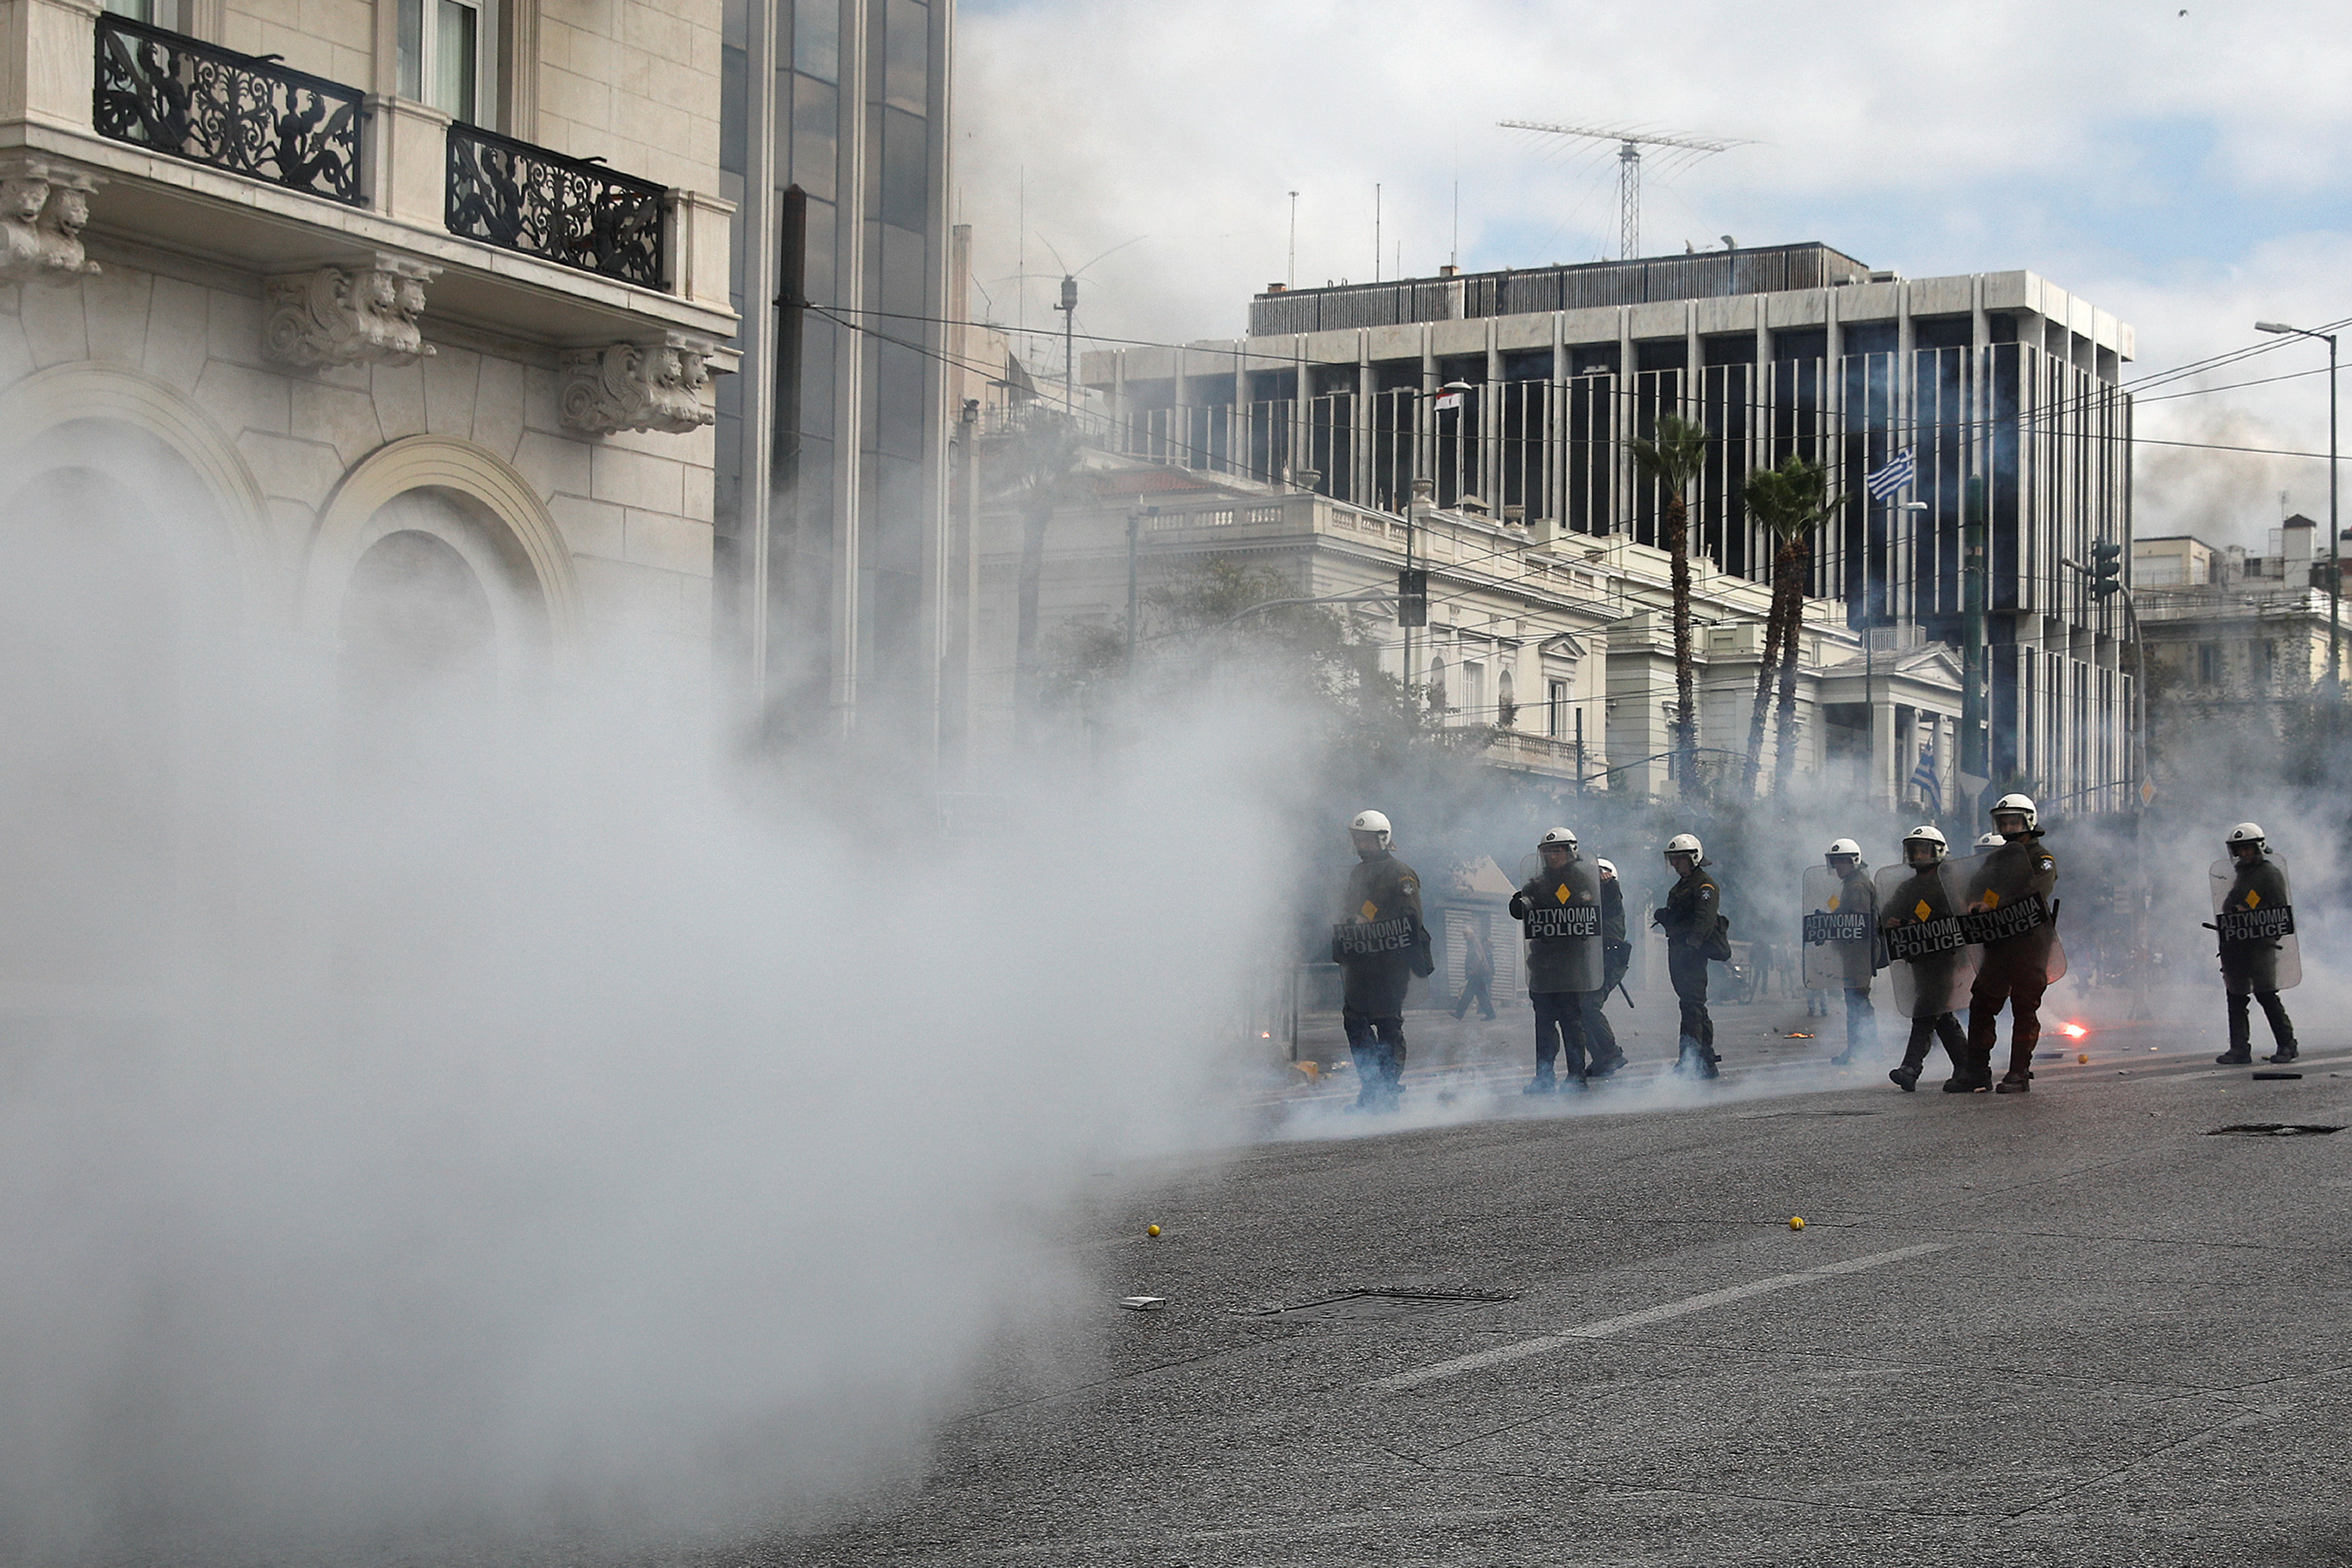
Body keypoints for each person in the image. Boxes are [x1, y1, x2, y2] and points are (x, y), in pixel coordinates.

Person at [1331, 809, 1432, 1108]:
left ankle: (1387, 1088)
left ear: (1382, 839)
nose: (1360, 844)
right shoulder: (1356, 874)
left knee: (1388, 1024)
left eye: (1366, 839)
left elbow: (1410, 916)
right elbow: (1349, 910)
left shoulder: (1400, 873)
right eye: (1357, 838)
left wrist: (1369, 919)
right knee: (1354, 1022)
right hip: (1361, 963)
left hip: (1391, 964)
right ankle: (1372, 1087)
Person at [1959, 793, 2059, 1094]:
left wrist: (1997, 904)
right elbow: (1975, 887)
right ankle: (1977, 1071)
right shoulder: (1997, 859)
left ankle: (2019, 1073)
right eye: (2002, 820)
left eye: (2013, 820)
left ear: (2028, 821)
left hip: (2029, 943)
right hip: (1999, 942)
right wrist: (1971, 903)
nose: (2007, 825)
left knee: (2024, 1007)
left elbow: (2037, 890)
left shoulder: (2041, 859)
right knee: (1982, 1003)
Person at [1508, 827, 1603, 1092]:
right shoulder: (1538, 885)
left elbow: (1588, 913)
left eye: (1558, 851)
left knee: (1572, 1022)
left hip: (1571, 965)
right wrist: (1520, 903)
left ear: (1570, 851)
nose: (1552, 857)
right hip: (1543, 966)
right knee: (1544, 1023)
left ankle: (1576, 1077)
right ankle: (1544, 1078)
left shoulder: (1582, 882)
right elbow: (1520, 909)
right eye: (1548, 852)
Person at [1876, 826, 1972, 1092]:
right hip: (1919, 960)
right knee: (1940, 1015)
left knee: (1925, 1011)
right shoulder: (1908, 887)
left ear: (1938, 852)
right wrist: (1888, 922)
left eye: (1923, 850)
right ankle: (1966, 1065)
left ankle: (1910, 1068)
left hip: (1945, 958)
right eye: (1914, 850)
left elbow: (1957, 919)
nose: (1918, 855)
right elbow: (1885, 915)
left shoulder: (1949, 884)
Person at [2213, 822, 2298, 1065]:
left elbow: (2279, 910)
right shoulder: (2241, 875)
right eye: (2240, 850)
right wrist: (2233, 912)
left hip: (2261, 944)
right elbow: (2229, 903)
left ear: (2259, 847)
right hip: (2238, 944)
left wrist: (2251, 912)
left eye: (2248, 849)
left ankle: (2287, 1044)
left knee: (2265, 993)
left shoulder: (2269, 874)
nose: (2244, 854)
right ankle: (2239, 1049)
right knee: (2236, 995)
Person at [1654, 832, 1725, 1078]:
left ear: (1693, 858)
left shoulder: (1705, 885)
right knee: (1692, 1005)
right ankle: (1705, 1059)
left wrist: (1692, 946)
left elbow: (1704, 920)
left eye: (1679, 859)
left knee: (1692, 1006)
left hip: (1691, 953)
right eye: (1672, 859)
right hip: (1679, 950)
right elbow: (1684, 915)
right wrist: (1667, 916)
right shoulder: (1682, 886)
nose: (1674, 864)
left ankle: (1690, 1060)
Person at [1821, 838, 1882, 1065]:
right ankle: (1865, 1049)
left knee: (1857, 1002)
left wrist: (1831, 921)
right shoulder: (1852, 883)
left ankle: (1862, 1050)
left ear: (1853, 861)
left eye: (1841, 862)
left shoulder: (1857, 886)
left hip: (1859, 954)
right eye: (1834, 862)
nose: (1837, 867)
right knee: (1858, 1002)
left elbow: (1856, 921)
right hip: (1856, 954)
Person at [1583, 858, 1630, 1076]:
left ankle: (1611, 1052)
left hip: (1611, 960)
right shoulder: (1592, 904)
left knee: (1590, 1005)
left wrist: (1609, 883)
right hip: (1595, 960)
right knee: (1580, 1009)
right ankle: (1601, 1057)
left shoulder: (1611, 898)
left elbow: (1611, 894)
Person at [1450, 919, 1497, 1021]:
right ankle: (1490, 1014)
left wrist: (1473, 970)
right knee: (1480, 995)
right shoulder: (1473, 942)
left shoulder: (1474, 943)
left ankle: (1459, 1013)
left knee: (1469, 994)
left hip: (1477, 973)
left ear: (1470, 935)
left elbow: (1479, 958)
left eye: (1465, 935)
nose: (1465, 937)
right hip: (1478, 973)